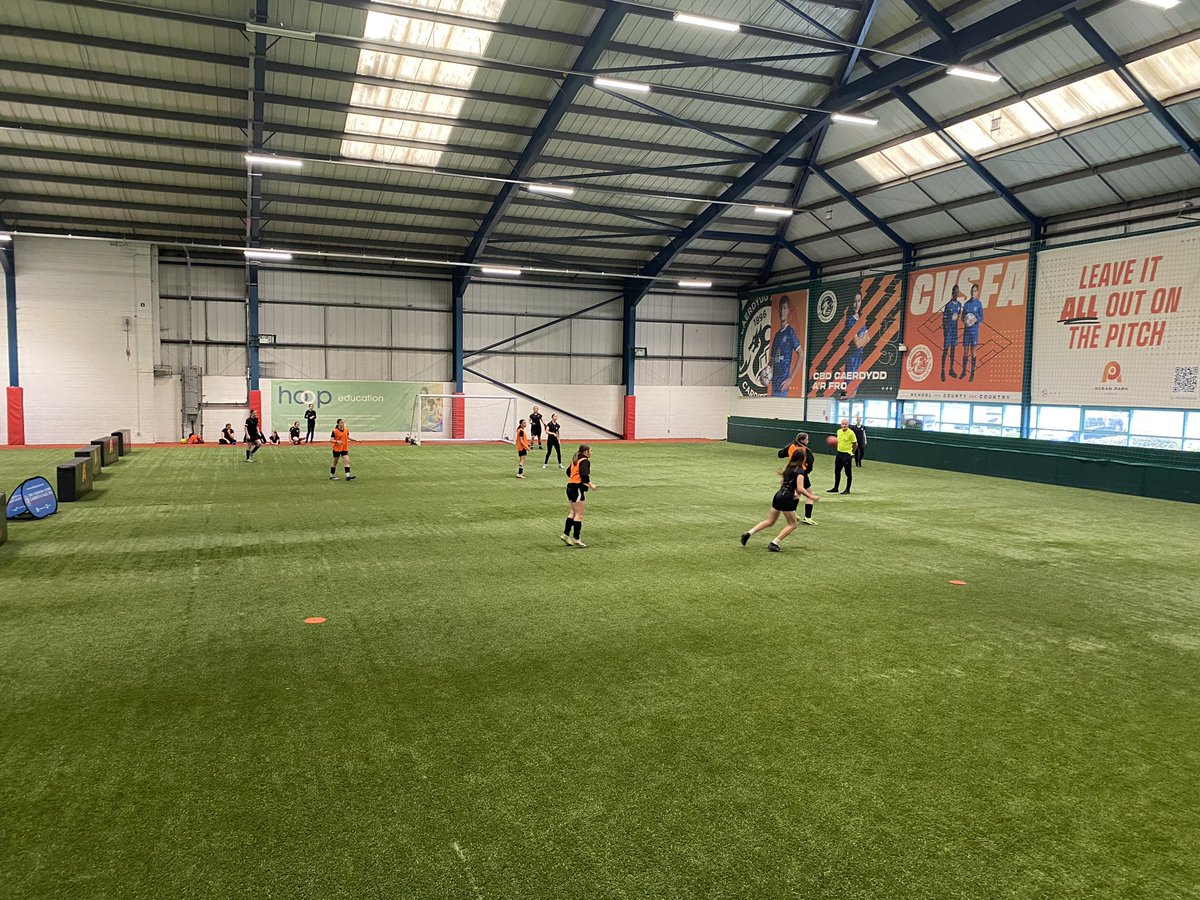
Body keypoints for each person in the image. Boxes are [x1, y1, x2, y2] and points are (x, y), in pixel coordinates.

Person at [742, 448, 819, 551]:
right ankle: (774, 543)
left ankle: (749, 533)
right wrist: (811, 497)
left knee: (770, 521)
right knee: (792, 524)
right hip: (787, 498)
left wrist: (795, 492)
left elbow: (783, 483)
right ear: (803, 459)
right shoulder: (800, 471)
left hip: (778, 496)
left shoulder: (789, 468)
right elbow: (800, 488)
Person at [778, 432, 818, 526]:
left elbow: (780, 454)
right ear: (802, 440)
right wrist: (805, 473)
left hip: (791, 472)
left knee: (797, 494)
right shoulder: (806, 450)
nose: (808, 441)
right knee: (809, 495)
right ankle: (807, 517)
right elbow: (811, 464)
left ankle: (794, 513)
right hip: (801, 473)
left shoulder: (791, 446)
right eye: (807, 439)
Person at [562, 444, 596, 548]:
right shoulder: (584, 461)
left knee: (572, 512)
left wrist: (574, 477)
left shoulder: (575, 461)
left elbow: (568, 472)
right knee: (579, 514)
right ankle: (577, 538)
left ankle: (566, 534)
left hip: (570, 487)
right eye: (591, 451)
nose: (591, 452)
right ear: (586, 452)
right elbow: (584, 475)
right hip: (577, 488)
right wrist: (591, 485)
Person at [770, 294, 801, 396]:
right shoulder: (777, 335)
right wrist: (766, 374)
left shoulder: (790, 332)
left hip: (783, 384)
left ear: (788, 311)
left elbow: (802, 355)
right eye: (781, 309)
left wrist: (790, 378)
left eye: (785, 308)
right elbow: (772, 361)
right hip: (774, 384)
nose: (782, 311)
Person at [961, 283, 984, 382]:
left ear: (977, 292)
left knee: (973, 351)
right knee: (965, 351)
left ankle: (972, 373)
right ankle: (964, 371)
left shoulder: (979, 304)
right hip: (967, 331)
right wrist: (966, 319)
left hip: (974, 331)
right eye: (972, 291)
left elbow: (982, 318)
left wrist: (975, 319)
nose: (973, 293)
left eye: (975, 291)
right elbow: (962, 317)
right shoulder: (966, 304)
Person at [828, 418, 857, 494]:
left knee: (848, 473)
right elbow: (838, 442)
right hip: (839, 454)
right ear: (841, 424)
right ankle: (836, 488)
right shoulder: (838, 431)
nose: (844, 425)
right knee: (837, 471)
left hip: (847, 455)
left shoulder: (851, 433)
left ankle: (847, 489)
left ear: (848, 425)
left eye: (845, 424)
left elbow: (855, 444)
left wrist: (852, 453)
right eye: (843, 424)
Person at [941, 284, 962, 381]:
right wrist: (946, 332)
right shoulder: (948, 305)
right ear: (952, 293)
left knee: (953, 350)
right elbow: (944, 319)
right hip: (948, 332)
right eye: (954, 292)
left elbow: (958, 316)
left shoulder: (959, 305)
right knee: (946, 350)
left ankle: (951, 369)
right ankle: (942, 370)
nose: (955, 294)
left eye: (957, 292)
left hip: (954, 332)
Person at [844, 292, 868, 374]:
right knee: (851, 384)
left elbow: (868, 338)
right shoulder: (850, 320)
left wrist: (861, 340)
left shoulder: (860, 318)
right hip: (852, 359)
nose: (856, 304)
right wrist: (862, 340)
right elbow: (857, 344)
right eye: (854, 301)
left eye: (859, 301)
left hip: (859, 357)